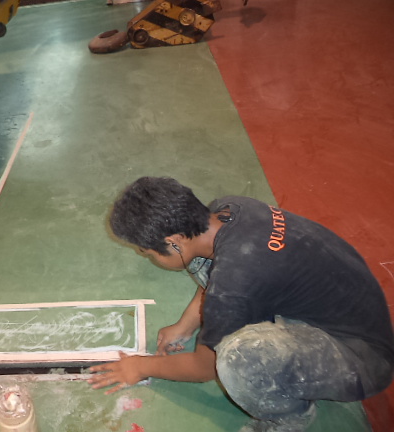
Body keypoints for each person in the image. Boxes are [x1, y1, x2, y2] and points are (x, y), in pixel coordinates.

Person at [87, 177, 394, 431]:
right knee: (206, 265)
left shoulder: (234, 282)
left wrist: (140, 366)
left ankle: (287, 418)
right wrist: (185, 325)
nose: (146, 256)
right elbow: (218, 273)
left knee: (238, 359)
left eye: (146, 252)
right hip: (348, 312)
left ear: (174, 241)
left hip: (362, 360)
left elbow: (204, 368)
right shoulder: (229, 209)